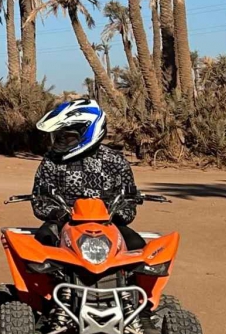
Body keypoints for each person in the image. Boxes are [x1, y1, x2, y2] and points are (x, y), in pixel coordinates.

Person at [29, 97, 144, 250]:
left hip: (108, 224)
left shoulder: (116, 161)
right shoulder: (52, 160)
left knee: (138, 247)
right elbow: (39, 198)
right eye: (58, 136)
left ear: (87, 133)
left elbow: (129, 200)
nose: (60, 141)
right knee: (40, 246)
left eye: (66, 136)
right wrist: (58, 214)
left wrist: (116, 215)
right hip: (63, 223)